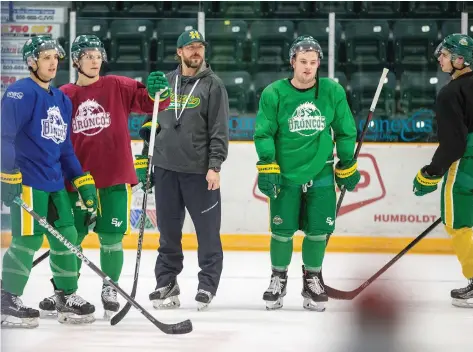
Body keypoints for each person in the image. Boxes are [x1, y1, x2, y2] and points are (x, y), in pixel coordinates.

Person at [37, 34, 171, 319]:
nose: (94, 61)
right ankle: (64, 290)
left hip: (112, 179)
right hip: (75, 182)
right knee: (69, 239)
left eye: (98, 56)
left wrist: (159, 91)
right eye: (87, 56)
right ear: (75, 60)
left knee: (111, 238)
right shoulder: (63, 95)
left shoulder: (116, 85)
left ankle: (110, 286)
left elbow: (152, 103)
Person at [253, 35, 360, 311]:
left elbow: (346, 129)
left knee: (318, 232)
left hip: (322, 172)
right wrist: (267, 164)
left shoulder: (332, 92)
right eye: (303, 61)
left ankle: (312, 279)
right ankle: (278, 278)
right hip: (285, 174)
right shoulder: (274, 93)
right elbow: (264, 132)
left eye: (313, 62)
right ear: (292, 62)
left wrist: (347, 162)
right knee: (281, 231)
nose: (308, 67)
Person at [1, 35, 98, 327]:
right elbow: (4, 137)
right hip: (28, 180)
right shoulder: (20, 93)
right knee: (27, 240)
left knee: (67, 238)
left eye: (55, 58)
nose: (53, 63)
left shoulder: (61, 100)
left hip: (56, 182)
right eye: (46, 58)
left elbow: (65, 147)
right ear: (31, 62)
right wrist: (6, 174)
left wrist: (81, 179)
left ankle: (66, 296)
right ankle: (7, 298)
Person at [139, 29, 229, 311]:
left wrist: (214, 166)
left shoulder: (213, 85)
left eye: (199, 47)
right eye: (190, 47)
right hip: (165, 170)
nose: (196, 52)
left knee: (207, 232)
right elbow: (150, 125)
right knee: (167, 233)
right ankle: (166, 281)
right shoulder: (165, 83)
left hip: (199, 173)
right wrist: (145, 162)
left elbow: (219, 131)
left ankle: (207, 284)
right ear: (179, 52)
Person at [412, 33, 473, 308]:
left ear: (461, 59)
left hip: (465, 166)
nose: (440, 58)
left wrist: (431, 172)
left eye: (445, 55)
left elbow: (454, 144)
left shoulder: (450, 93)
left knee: (457, 222)